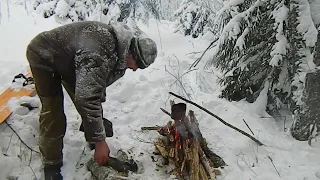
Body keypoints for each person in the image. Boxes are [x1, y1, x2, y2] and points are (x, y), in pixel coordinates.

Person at [25, 21, 157, 180]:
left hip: (70, 62)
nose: (135, 70)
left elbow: (95, 88)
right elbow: (87, 99)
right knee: (54, 113)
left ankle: (93, 140)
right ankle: (51, 164)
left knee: (89, 101)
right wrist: (100, 141)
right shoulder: (99, 52)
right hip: (44, 55)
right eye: (138, 65)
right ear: (132, 53)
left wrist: (97, 131)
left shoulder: (118, 54)